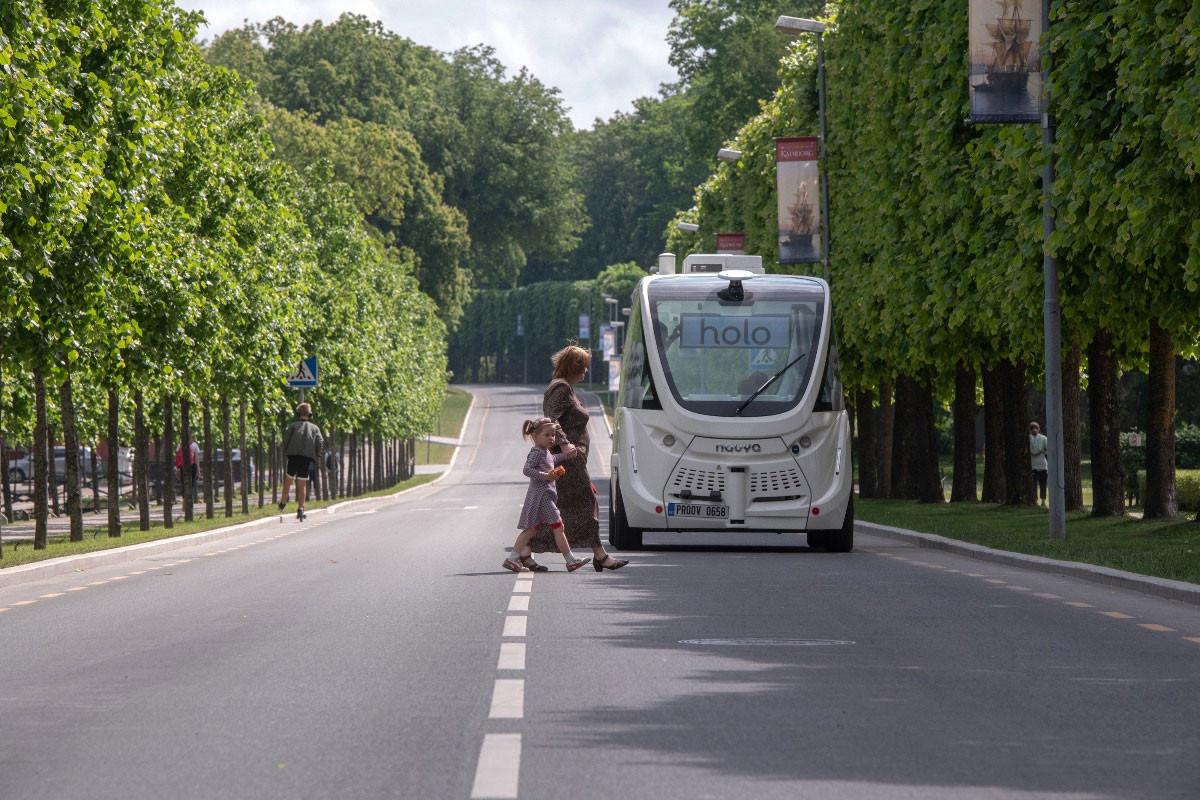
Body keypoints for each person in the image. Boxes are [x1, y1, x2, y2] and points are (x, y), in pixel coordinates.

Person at [529, 345, 629, 571]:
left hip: (572, 460)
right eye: (582, 367)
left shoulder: (567, 388)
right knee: (586, 503)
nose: (585, 372)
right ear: (573, 367)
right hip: (568, 461)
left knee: (556, 507)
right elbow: (551, 419)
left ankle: (525, 550)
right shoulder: (561, 388)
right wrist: (564, 442)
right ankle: (600, 554)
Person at [503, 418, 591, 573]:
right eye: (547, 435)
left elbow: (552, 459)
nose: (551, 438)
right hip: (542, 497)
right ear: (535, 437)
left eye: (553, 435)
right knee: (558, 527)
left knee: (531, 530)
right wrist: (546, 476)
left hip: (545, 496)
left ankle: (512, 558)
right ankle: (570, 560)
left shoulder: (545, 452)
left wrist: (566, 456)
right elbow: (527, 470)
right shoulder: (536, 452)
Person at [279, 402, 324, 521]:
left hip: (293, 456)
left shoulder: (292, 426)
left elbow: (285, 439)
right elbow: (320, 442)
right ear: (310, 415)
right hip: (306, 458)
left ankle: (283, 501)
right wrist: (317, 454)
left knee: (288, 480)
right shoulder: (315, 428)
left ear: (298, 414)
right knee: (302, 484)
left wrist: (285, 451)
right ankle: (301, 508)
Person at [1029, 421, 1049, 505]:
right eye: (1032, 428)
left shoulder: (1044, 438)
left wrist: (1043, 452)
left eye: (1036, 428)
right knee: (1033, 485)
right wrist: (1040, 451)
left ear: (1039, 429)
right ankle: (1035, 500)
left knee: (1043, 484)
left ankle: (1043, 500)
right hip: (1032, 465)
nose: (1034, 430)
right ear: (1029, 430)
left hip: (1042, 465)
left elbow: (1048, 450)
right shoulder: (1028, 438)